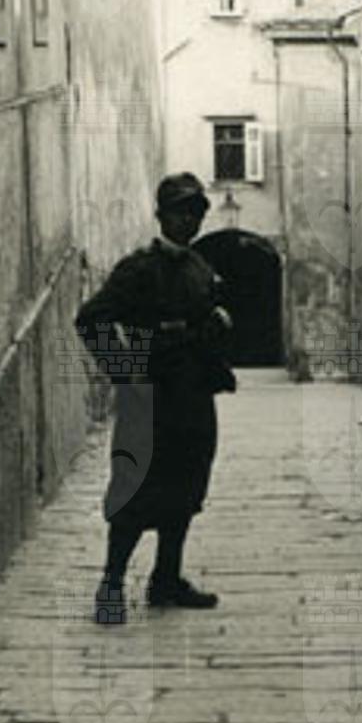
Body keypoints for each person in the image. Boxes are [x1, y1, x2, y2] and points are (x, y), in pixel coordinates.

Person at [75, 173, 236, 625]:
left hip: (192, 398)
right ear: (161, 216)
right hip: (148, 401)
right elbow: (91, 319)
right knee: (133, 490)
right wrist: (125, 372)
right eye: (180, 212)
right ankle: (111, 586)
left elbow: (207, 322)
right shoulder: (138, 269)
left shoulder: (200, 269)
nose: (189, 221)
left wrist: (217, 326)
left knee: (186, 489)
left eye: (195, 212)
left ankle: (166, 579)